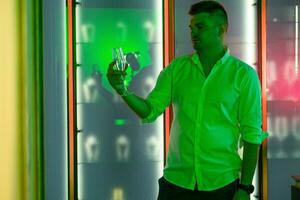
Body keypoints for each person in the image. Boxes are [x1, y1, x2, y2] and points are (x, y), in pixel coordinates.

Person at [107, 1, 267, 200]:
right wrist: (122, 90)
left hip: (221, 184)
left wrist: (245, 188)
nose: (193, 33)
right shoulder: (177, 69)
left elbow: (252, 135)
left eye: (200, 27)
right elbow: (149, 110)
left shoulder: (244, 75)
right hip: (176, 184)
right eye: (191, 28)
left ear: (221, 29)